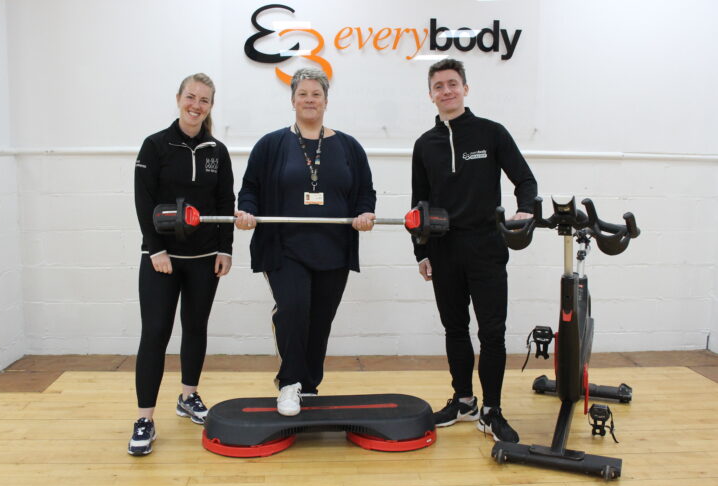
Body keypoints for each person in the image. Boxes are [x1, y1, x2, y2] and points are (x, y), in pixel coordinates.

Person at [235, 67, 376, 417]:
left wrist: (365, 214)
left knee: (320, 318)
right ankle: (289, 382)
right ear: (292, 99)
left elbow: (365, 192)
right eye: (303, 94)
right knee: (295, 309)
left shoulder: (348, 146)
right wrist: (247, 212)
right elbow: (249, 188)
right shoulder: (271, 144)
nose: (309, 99)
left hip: (333, 247)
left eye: (316, 94)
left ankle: (309, 385)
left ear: (326, 101)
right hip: (284, 247)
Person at [411, 58, 537, 443]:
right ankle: (463, 400)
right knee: (455, 328)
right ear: (430, 94)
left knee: (492, 333)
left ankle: (492, 410)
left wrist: (526, 209)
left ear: (466, 88)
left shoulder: (491, 133)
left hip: (486, 247)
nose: (446, 91)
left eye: (452, 83)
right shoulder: (424, 145)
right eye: (439, 86)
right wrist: (422, 252)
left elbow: (526, 180)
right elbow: (419, 205)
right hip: (444, 251)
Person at [129, 73, 235, 455]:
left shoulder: (216, 151)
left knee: (195, 327)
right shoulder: (155, 146)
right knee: (155, 333)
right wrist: (155, 248)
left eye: (204, 100)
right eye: (191, 97)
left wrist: (227, 249)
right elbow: (143, 201)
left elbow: (226, 201)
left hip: (205, 259)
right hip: (162, 260)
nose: (196, 105)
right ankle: (145, 419)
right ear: (178, 99)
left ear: (210, 106)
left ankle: (188, 395)